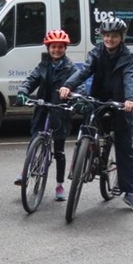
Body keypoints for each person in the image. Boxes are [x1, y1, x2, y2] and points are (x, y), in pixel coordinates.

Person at [59, 18, 133, 212]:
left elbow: (130, 77)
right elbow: (84, 71)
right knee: (87, 126)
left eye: (114, 36)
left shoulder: (128, 57)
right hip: (99, 97)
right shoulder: (96, 53)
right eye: (106, 35)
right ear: (102, 37)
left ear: (121, 38)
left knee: (125, 147)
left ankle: (131, 193)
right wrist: (68, 85)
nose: (110, 39)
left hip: (121, 102)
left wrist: (130, 99)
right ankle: (84, 157)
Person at [14, 29, 82, 202]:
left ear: (65, 48)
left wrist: (76, 100)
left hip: (60, 112)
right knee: (35, 138)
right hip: (43, 109)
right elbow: (31, 80)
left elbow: (78, 86)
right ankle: (27, 169)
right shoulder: (43, 65)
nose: (56, 50)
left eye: (60, 47)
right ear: (48, 48)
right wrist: (23, 92)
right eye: (53, 47)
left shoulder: (70, 68)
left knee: (59, 151)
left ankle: (59, 185)